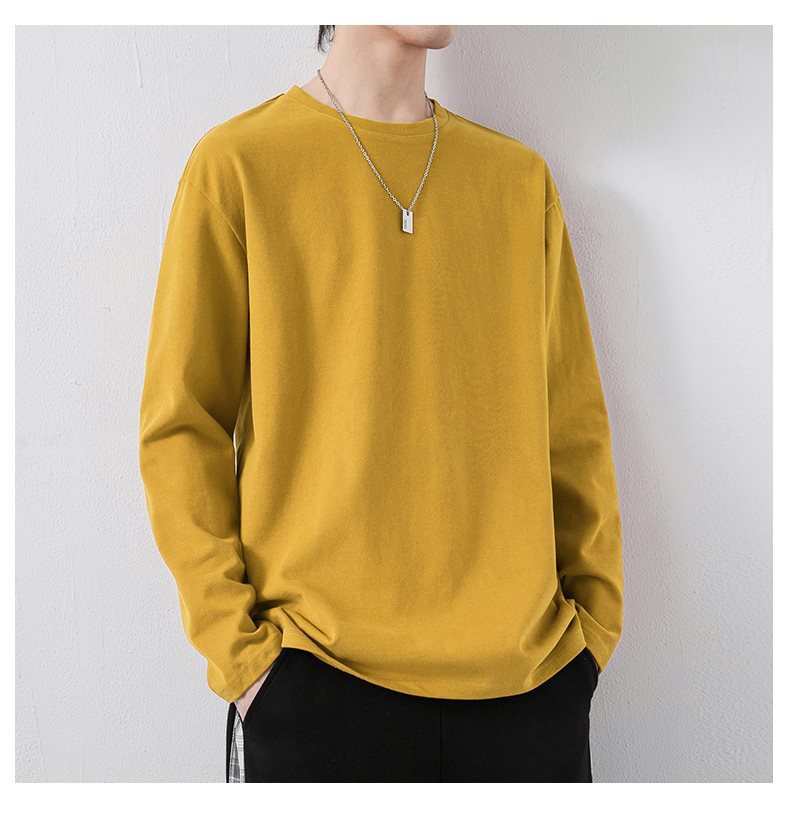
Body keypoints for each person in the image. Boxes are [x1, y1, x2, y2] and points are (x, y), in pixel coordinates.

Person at [138, 24, 624, 783]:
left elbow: (574, 426)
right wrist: (244, 657)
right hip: (315, 687)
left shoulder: (518, 181)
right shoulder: (238, 165)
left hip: (528, 692)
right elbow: (181, 425)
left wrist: (590, 636)